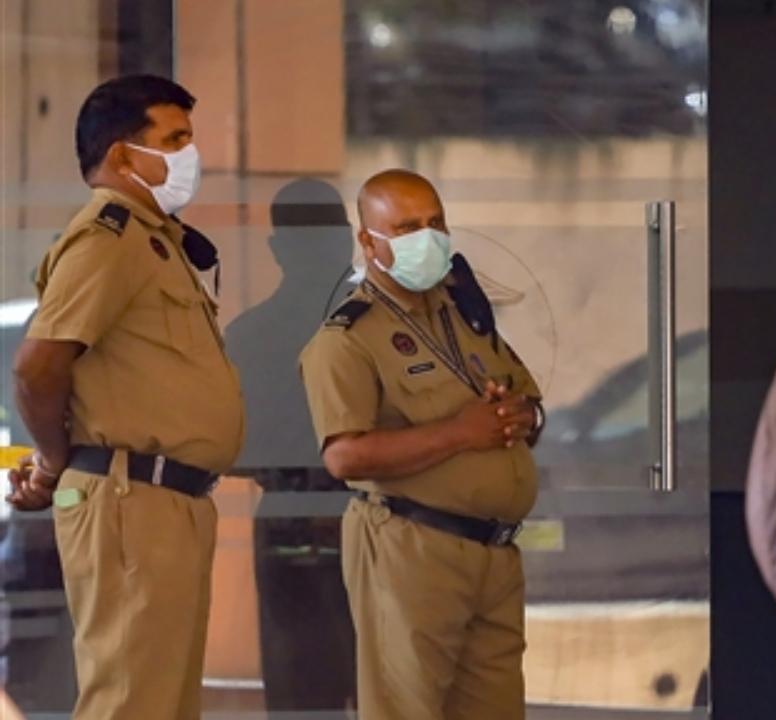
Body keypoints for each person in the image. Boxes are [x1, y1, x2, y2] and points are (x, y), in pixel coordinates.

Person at [5, 75, 243, 719]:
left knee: (163, 702)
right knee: (132, 703)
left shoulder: (152, 238)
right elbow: (37, 367)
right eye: (174, 139)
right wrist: (54, 462)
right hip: (130, 498)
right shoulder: (109, 237)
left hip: (168, 501)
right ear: (122, 155)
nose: (190, 155)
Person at [299, 169, 544, 719]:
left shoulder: (463, 314)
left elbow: (529, 400)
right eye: (407, 226)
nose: (427, 238)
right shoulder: (347, 338)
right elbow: (343, 455)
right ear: (368, 241)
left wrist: (519, 415)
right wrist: (461, 433)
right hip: (412, 545)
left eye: (435, 223)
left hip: (494, 553)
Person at [224, 178, 357, 714]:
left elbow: (234, 450)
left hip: (299, 515)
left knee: (306, 693)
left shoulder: (251, 333)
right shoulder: (385, 323)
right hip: (338, 515)